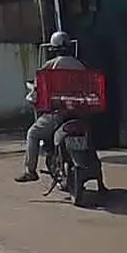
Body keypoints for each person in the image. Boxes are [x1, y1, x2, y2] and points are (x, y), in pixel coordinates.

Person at [15, 31, 87, 183]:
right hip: (79, 113)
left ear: (53, 49)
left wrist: (33, 96)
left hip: (59, 113)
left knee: (32, 133)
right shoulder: (80, 66)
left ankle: (30, 171)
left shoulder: (51, 65)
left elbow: (38, 90)